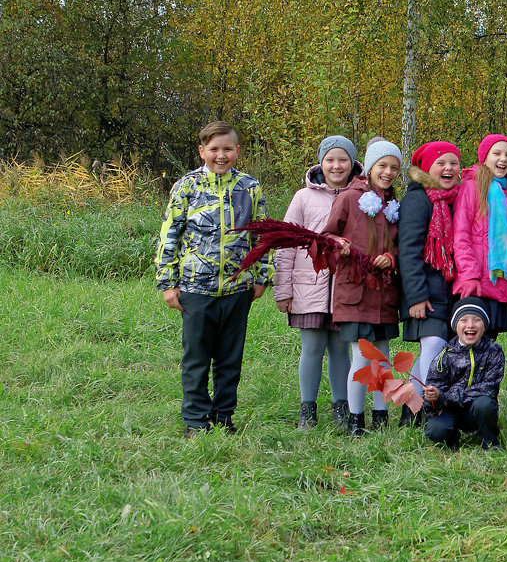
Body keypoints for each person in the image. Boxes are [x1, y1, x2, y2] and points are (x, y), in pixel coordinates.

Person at [155, 120, 270, 436]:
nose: (221, 155)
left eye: (227, 149)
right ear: (202, 151)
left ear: (237, 151)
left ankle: (223, 415)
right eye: (214, 149)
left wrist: (261, 276)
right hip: (195, 288)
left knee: (230, 359)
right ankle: (195, 419)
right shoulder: (186, 187)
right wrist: (167, 282)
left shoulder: (249, 187)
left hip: (238, 288)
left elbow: (262, 235)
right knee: (196, 358)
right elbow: (170, 235)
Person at [275, 135, 362, 431]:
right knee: (311, 347)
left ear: (352, 163)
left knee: (340, 348)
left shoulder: (363, 195)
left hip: (345, 289)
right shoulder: (303, 197)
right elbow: (286, 245)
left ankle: (342, 407)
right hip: (307, 288)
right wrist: (283, 290)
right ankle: (307, 409)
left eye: (343, 160)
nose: (336, 166)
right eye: (330, 160)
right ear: (320, 163)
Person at [322, 139, 404, 436]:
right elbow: (327, 236)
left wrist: (391, 258)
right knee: (362, 356)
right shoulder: (348, 198)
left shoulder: (393, 204)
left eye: (394, 167)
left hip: (384, 294)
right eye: (382, 166)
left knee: (382, 356)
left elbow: (399, 245)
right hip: (355, 292)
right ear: (369, 168)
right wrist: (338, 245)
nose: (388, 172)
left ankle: (380, 416)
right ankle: (355, 419)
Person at [396, 140, 462, 426]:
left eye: (454, 163)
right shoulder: (417, 199)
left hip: (451, 291)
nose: (448, 168)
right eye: (441, 163)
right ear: (426, 168)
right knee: (433, 346)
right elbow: (408, 251)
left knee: (439, 351)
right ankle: (419, 411)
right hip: (425, 292)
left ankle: (412, 413)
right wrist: (415, 296)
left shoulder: (458, 197)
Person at [452, 134, 507, 338]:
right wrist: (469, 275)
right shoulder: (471, 187)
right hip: (475, 285)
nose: (503, 159)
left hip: (500, 285)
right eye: (497, 153)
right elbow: (461, 235)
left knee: (490, 351)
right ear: (485, 157)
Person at [422, 298, 505, 450]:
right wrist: (432, 397)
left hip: (475, 409)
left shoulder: (493, 351)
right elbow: (431, 401)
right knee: (436, 431)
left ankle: (490, 442)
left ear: (485, 325)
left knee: (485, 404)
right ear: (455, 326)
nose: (470, 325)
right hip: (448, 410)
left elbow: (489, 388)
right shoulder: (444, 356)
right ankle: (452, 438)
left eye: (477, 320)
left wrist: (445, 396)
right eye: (463, 320)